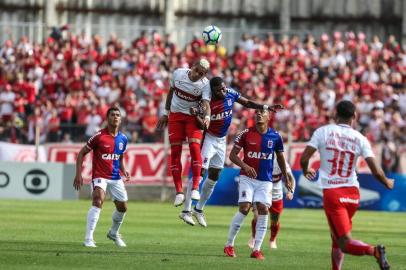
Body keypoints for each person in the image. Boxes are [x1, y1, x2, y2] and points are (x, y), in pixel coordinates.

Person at [300, 100, 394, 270]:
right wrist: (387, 181)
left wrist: (306, 170)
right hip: (353, 194)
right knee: (336, 236)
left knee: (344, 242)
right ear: (354, 116)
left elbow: (304, 158)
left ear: (335, 115)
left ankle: (374, 251)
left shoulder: (323, 132)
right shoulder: (360, 138)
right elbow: (377, 171)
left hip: (333, 194)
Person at [179, 76, 283, 226]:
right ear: (212, 91)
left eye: (223, 87)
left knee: (215, 175)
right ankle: (186, 211)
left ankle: (199, 209)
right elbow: (202, 126)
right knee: (200, 172)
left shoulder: (230, 93)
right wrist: (197, 115)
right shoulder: (206, 103)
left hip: (222, 140)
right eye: (219, 90)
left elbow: (246, 102)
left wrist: (265, 107)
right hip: (208, 138)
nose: (223, 91)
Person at [223, 109, 293, 260]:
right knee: (244, 207)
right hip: (247, 177)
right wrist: (245, 166)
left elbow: (280, 158)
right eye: (257, 113)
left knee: (263, 209)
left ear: (269, 117)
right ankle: (229, 245)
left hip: (265, 180)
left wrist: (286, 178)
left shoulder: (275, 136)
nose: (259, 114)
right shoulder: (245, 133)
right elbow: (232, 155)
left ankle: (256, 249)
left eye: (263, 113)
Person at [156, 59, 211, 206]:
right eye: (197, 70)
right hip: (175, 116)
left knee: (194, 148)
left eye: (202, 73)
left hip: (192, 118)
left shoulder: (205, 84)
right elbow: (170, 92)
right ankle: (179, 192)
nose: (198, 74)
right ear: (192, 67)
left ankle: (195, 188)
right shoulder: (178, 74)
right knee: (175, 152)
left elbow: (206, 104)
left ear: (205, 74)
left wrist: (206, 117)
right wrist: (166, 113)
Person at [73, 107, 130, 248]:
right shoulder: (99, 136)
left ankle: (113, 232)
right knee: (98, 200)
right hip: (100, 176)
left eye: (118, 115)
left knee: (123, 208)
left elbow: (120, 156)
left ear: (120, 119)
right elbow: (81, 153)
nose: (115, 117)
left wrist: (124, 170)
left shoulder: (123, 138)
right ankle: (89, 239)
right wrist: (78, 174)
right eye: (112, 115)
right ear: (107, 118)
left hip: (116, 177)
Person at [248, 160, 295, 250]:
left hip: (276, 195)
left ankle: (272, 240)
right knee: (257, 216)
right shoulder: (261, 158)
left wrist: (291, 191)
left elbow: (291, 178)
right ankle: (254, 238)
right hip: (261, 192)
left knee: (274, 220)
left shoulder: (281, 162)